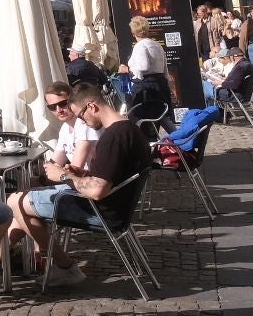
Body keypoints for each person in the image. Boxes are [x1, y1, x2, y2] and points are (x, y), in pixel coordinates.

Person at [8, 83, 152, 287]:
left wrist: (65, 177)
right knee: (21, 200)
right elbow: (108, 177)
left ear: (91, 106)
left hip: (100, 212)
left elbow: (97, 190)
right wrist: (82, 174)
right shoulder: (129, 129)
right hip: (116, 208)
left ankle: (65, 267)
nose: (83, 121)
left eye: (82, 115)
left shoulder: (113, 137)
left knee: (17, 201)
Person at [120, 16, 171, 114]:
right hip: (160, 85)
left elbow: (144, 66)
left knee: (141, 119)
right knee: (162, 117)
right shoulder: (157, 45)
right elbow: (165, 68)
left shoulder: (140, 46)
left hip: (146, 88)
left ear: (133, 33)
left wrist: (127, 69)